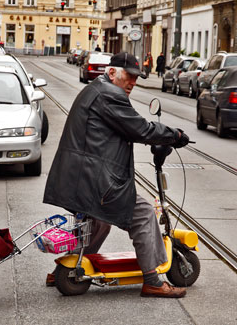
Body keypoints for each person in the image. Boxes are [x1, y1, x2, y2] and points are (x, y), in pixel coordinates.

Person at [43, 52, 190, 298]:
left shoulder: (96, 89)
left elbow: (119, 128)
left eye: (136, 78)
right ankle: (153, 281)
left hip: (79, 176)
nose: (133, 82)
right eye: (129, 77)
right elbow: (139, 128)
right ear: (112, 73)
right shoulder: (110, 95)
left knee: (99, 222)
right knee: (143, 213)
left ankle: (71, 269)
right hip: (95, 181)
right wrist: (174, 135)